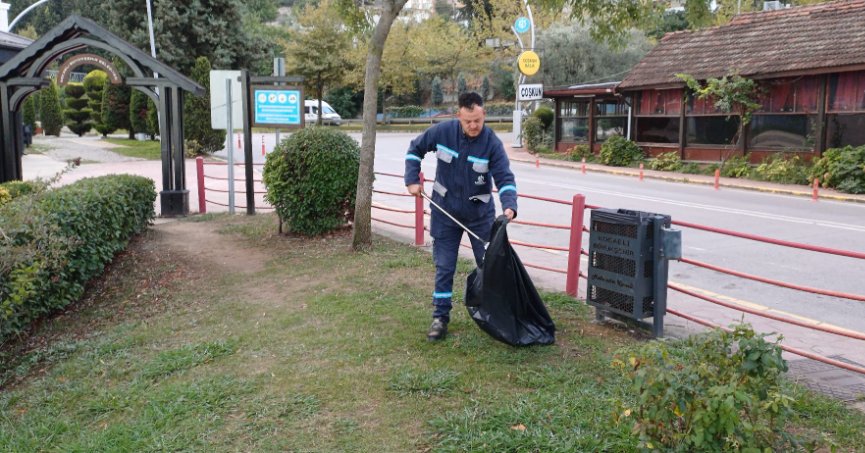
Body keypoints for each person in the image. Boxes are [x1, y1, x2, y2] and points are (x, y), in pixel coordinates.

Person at [404, 92, 517, 341]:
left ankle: (496, 316)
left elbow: (505, 178)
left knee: (488, 267)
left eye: (477, 120)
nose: (473, 126)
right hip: (445, 213)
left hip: (480, 216)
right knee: (445, 267)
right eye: (468, 121)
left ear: (484, 114)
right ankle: (440, 318)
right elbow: (415, 150)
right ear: (459, 116)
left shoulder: (492, 144)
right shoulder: (443, 132)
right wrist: (412, 179)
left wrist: (510, 206)